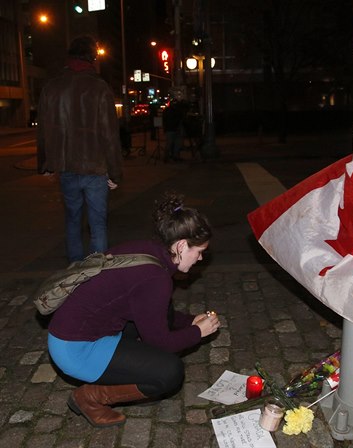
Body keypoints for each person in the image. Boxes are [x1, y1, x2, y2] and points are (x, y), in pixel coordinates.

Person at [47, 191, 220, 427]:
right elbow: (161, 342)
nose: (200, 259)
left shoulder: (150, 250)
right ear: (181, 245)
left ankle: (135, 377)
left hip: (73, 331)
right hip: (75, 349)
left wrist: (190, 321)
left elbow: (155, 313)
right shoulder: (156, 279)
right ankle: (90, 397)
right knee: (169, 372)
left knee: (165, 314)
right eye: (199, 252)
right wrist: (197, 332)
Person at [37, 35, 123, 263]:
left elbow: (44, 129)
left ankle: (75, 269)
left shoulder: (52, 87)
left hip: (66, 167)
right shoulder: (99, 87)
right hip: (95, 167)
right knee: (97, 223)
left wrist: (45, 163)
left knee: (72, 219)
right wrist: (115, 173)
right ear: (92, 57)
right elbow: (109, 134)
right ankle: (96, 271)